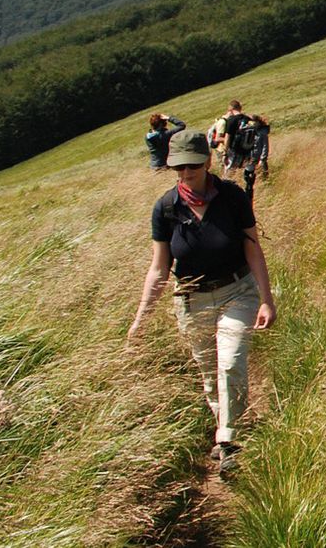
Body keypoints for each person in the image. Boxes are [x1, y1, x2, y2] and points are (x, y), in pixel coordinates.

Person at [127, 129, 277, 476]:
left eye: (192, 165)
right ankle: (227, 429)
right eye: (178, 167)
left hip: (237, 292)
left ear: (208, 161)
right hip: (192, 301)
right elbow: (159, 268)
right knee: (211, 375)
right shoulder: (166, 208)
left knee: (231, 361)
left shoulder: (232, 198)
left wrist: (266, 300)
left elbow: (253, 248)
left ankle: (227, 439)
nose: (185, 173)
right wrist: (140, 319)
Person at [227, 114, 271, 202]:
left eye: (253, 123)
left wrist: (263, 159)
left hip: (258, 157)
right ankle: (251, 185)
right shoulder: (251, 131)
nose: (251, 124)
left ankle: (266, 184)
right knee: (249, 173)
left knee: (262, 172)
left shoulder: (262, 133)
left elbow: (265, 147)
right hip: (250, 157)